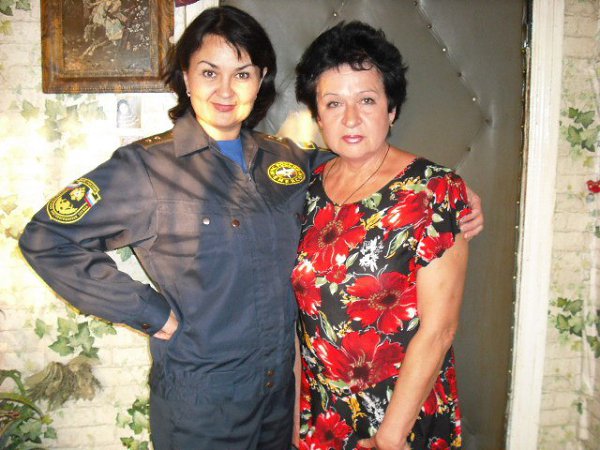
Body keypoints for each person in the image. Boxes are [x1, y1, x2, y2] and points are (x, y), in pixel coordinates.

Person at [19, 6, 482, 449]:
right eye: (209, 72)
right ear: (186, 77)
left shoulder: (289, 161)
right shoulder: (145, 168)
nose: (225, 90)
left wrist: (453, 195)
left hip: (280, 400)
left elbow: (366, 167)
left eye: (242, 74)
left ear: (260, 80)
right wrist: (149, 311)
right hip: (203, 403)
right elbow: (46, 238)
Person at [293, 21, 471, 449]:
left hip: (402, 418)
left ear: (391, 109)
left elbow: (440, 330)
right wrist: (297, 419)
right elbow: (299, 321)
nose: (351, 118)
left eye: (367, 100)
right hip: (323, 417)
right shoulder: (305, 190)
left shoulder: (433, 189)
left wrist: (390, 437)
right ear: (318, 116)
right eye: (333, 103)